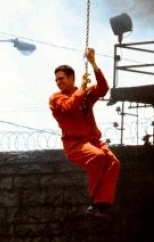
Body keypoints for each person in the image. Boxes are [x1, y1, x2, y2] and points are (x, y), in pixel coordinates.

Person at [49, 48, 120, 217]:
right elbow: (70, 107)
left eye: (61, 78)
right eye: (56, 80)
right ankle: (94, 203)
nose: (58, 82)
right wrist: (81, 88)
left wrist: (93, 63)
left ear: (71, 77)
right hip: (75, 145)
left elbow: (103, 89)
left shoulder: (84, 94)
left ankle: (101, 205)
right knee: (97, 157)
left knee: (113, 163)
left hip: (93, 141)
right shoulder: (56, 98)